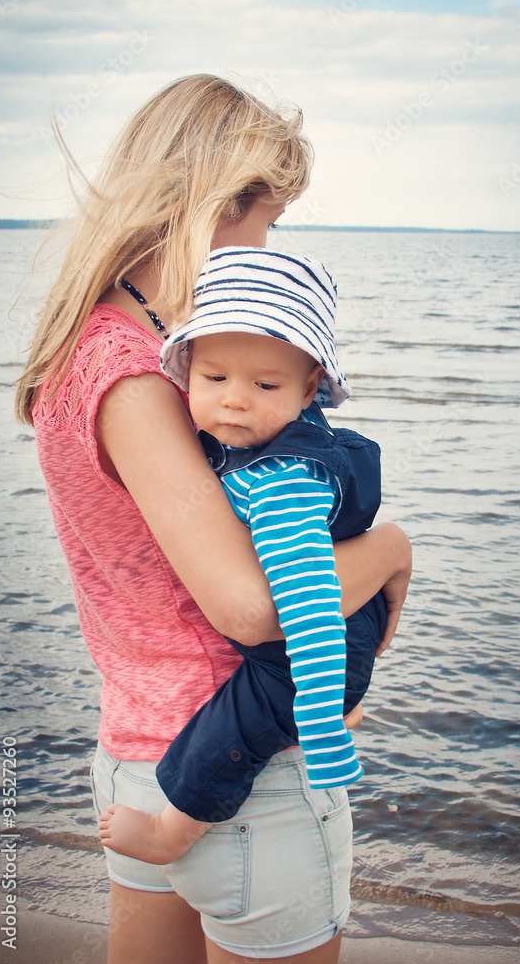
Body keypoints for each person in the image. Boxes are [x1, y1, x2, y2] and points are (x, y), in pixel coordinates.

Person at [15, 74, 412, 964]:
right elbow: (250, 609)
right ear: (211, 204)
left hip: (139, 752)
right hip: (239, 777)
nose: (266, 249)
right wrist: (389, 549)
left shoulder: (91, 349)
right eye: (266, 222)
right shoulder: (136, 376)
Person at [98, 246, 389, 865]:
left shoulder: (284, 477)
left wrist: (323, 722)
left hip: (307, 644)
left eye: (264, 385)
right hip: (332, 619)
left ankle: (172, 830)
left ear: (310, 388)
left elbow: (304, 610)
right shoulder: (248, 435)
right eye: (215, 378)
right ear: (187, 369)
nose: (234, 401)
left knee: (237, 724)